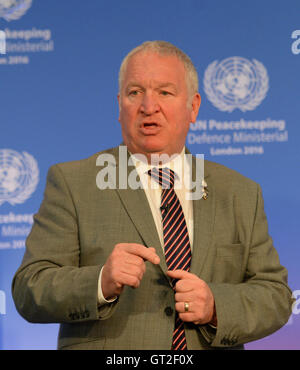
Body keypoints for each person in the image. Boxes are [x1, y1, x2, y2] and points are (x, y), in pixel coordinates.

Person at [12, 41, 293, 350]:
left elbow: (275, 295)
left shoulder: (240, 193)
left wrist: (215, 305)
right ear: (120, 106)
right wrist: (100, 282)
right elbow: (30, 288)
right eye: (135, 93)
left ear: (194, 107)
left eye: (165, 92)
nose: (148, 106)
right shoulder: (73, 183)